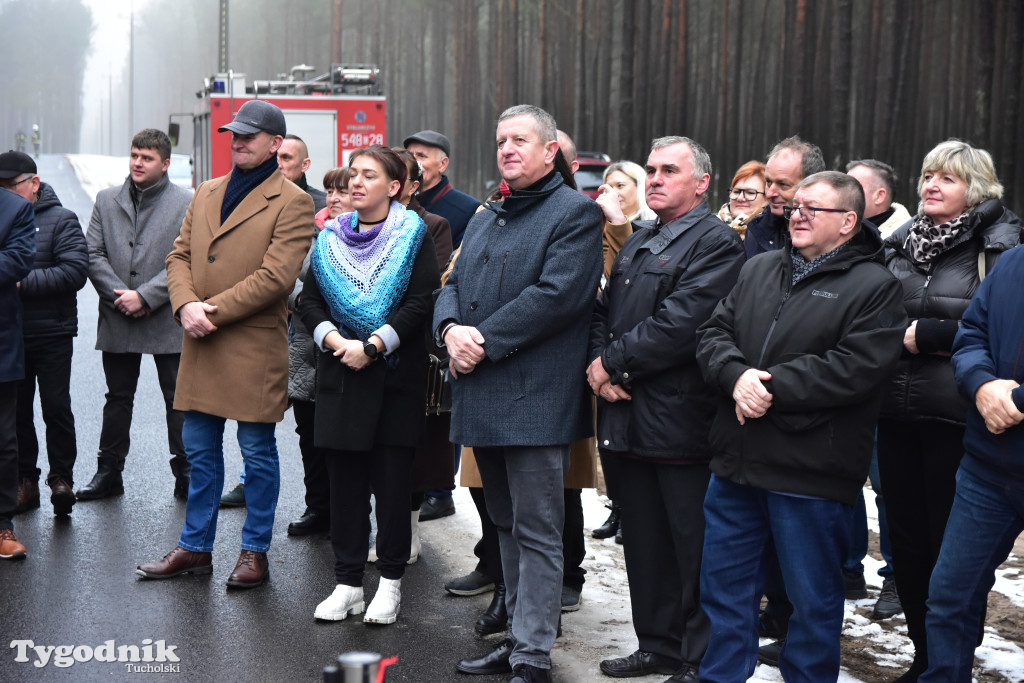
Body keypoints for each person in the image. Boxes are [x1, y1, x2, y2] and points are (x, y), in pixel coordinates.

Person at [695, 171, 906, 682]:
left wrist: (765, 387)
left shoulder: (876, 286)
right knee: (724, 593)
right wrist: (736, 375)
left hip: (809, 471)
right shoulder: (761, 268)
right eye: (796, 207)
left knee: (812, 604)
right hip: (737, 463)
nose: (799, 214)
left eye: (815, 208)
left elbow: (854, 368)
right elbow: (713, 332)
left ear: (849, 222)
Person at [437, 104, 602, 683]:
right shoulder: (489, 213)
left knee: (536, 529)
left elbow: (558, 297)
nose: (507, 148)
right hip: (481, 392)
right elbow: (451, 283)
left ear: (550, 149)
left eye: (520, 140)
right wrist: (450, 329)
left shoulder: (576, 214)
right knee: (503, 525)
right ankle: (515, 639)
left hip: (534, 401)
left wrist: (480, 338)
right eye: (501, 139)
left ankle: (533, 653)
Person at [136, 99, 314, 588]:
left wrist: (206, 310)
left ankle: (254, 551)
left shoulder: (294, 201)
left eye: (249, 136)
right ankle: (195, 548)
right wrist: (184, 305)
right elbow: (177, 257)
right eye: (234, 134)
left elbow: (277, 278)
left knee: (256, 452)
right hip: (201, 342)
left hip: (252, 346)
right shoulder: (208, 191)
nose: (237, 141)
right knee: (199, 451)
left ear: (276, 145)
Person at [590, 136, 745, 683]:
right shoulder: (640, 240)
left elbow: (683, 324)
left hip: (680, 422)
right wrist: (599, 366)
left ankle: (696, 657)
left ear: (702, 184)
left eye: (668, 171)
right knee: (646, 542)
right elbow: (602, 311)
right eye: (651, 170)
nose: (654, 179)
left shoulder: (717, 243)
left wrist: (612, 364)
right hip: (627, 416)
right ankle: (655, 643)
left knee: (691, 547)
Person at [876, 139, 1021, 682]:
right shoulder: (899, 244)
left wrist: (929, 334)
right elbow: (872, 318)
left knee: (950, 556)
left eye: (948, 179)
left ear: (976, 190)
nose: (931, 185)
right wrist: (897, 337)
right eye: (928, 174)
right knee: (908, 546)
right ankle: (924, 656)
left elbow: (998, 332)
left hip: (961, 416)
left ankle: (946, 659)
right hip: (895, 412)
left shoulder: (999, 248)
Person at [300, 145, 438, 623]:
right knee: (345, 487)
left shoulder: (413, 235)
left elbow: (422, 301)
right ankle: (347, 583)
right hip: (341, 374)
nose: (355, 183)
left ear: (394, 187)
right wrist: (335, 339)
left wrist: (375, 345)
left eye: (368, 175)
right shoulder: (329, 239)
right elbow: (309, 303)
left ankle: (391, 583)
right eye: (352, 175)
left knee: (393, 487)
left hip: (394, 378)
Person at [919, 243, 1024, 682]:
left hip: (1003, 432)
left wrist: (1016, 400)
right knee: (950, 598)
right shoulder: (1016, 262)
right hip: (988, 466)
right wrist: (982, 386)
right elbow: (972, 333)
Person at [220, 135, 333, 518]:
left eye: (288, 157)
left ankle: (327, 507)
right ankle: (250, 481)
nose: (281, 162)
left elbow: (294, 269)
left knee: (318, 427)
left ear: (304, 165)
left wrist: (299, 299)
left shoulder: (315, 207)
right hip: (275, 320)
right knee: (258, 413)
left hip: (306, 325)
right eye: (278, 156)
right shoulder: (250, 199)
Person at [79, 129, 194, 501]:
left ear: (165, 164)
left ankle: (186, 473)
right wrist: (121, 297)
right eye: (134, 156)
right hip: (118, 314)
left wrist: (145, 296)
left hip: (166, 316)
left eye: (146, 158)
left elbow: (187, 257)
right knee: (117, 398)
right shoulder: (106, 198)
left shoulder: (186, 202)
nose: (138, 163)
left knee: (177, 397)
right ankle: (109, 472)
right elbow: (92, 253)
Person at [0, 151, 88, 517]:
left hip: (52, 332)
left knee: (56, 408)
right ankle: (25, 481)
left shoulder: (62, 219)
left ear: (34, 183)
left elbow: (74, 271)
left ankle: (61, 478)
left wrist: (21, 282)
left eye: (11, 185)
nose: (5, 192)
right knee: (17, 415)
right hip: (13, 335)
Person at [283, 167, 352, 537]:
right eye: (330, 190)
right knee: (308, 436)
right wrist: (307, 302)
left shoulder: (363, 235)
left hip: (346, 350)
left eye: (342, 190)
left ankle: (348, 514)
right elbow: (284, 274)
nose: (335, 197)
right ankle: (318, 508)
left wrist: (316, 303)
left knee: (342, 440)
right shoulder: (310, 231)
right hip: (305, 348)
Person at [0, 166, 36, 560]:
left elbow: (16, 262)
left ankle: (2, 526)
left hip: (1, 344)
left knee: (3, 441)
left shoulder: (14, 209)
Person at [744, 136, 825, 258]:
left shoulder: (833, 236)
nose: (770, 194)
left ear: (812, 183)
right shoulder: (756, 230)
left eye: (783, 185)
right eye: (768, 182)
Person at [403, 129, 480, 250]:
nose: (413, 163)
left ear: (442, 164)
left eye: (421, 156)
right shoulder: (392, 202)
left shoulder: (469, 210)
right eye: (409, 156)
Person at [847, 159, 912, 239]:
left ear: (879, 196)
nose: (842, 193)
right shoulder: (838, 230)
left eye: (852, 187)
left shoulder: (905, 243)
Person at [716, 161, 767, 240]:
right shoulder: (709, 226)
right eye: (736, 191)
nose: (740, 198)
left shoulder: (771, 235)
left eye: (750, 193)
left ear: (766, 199)